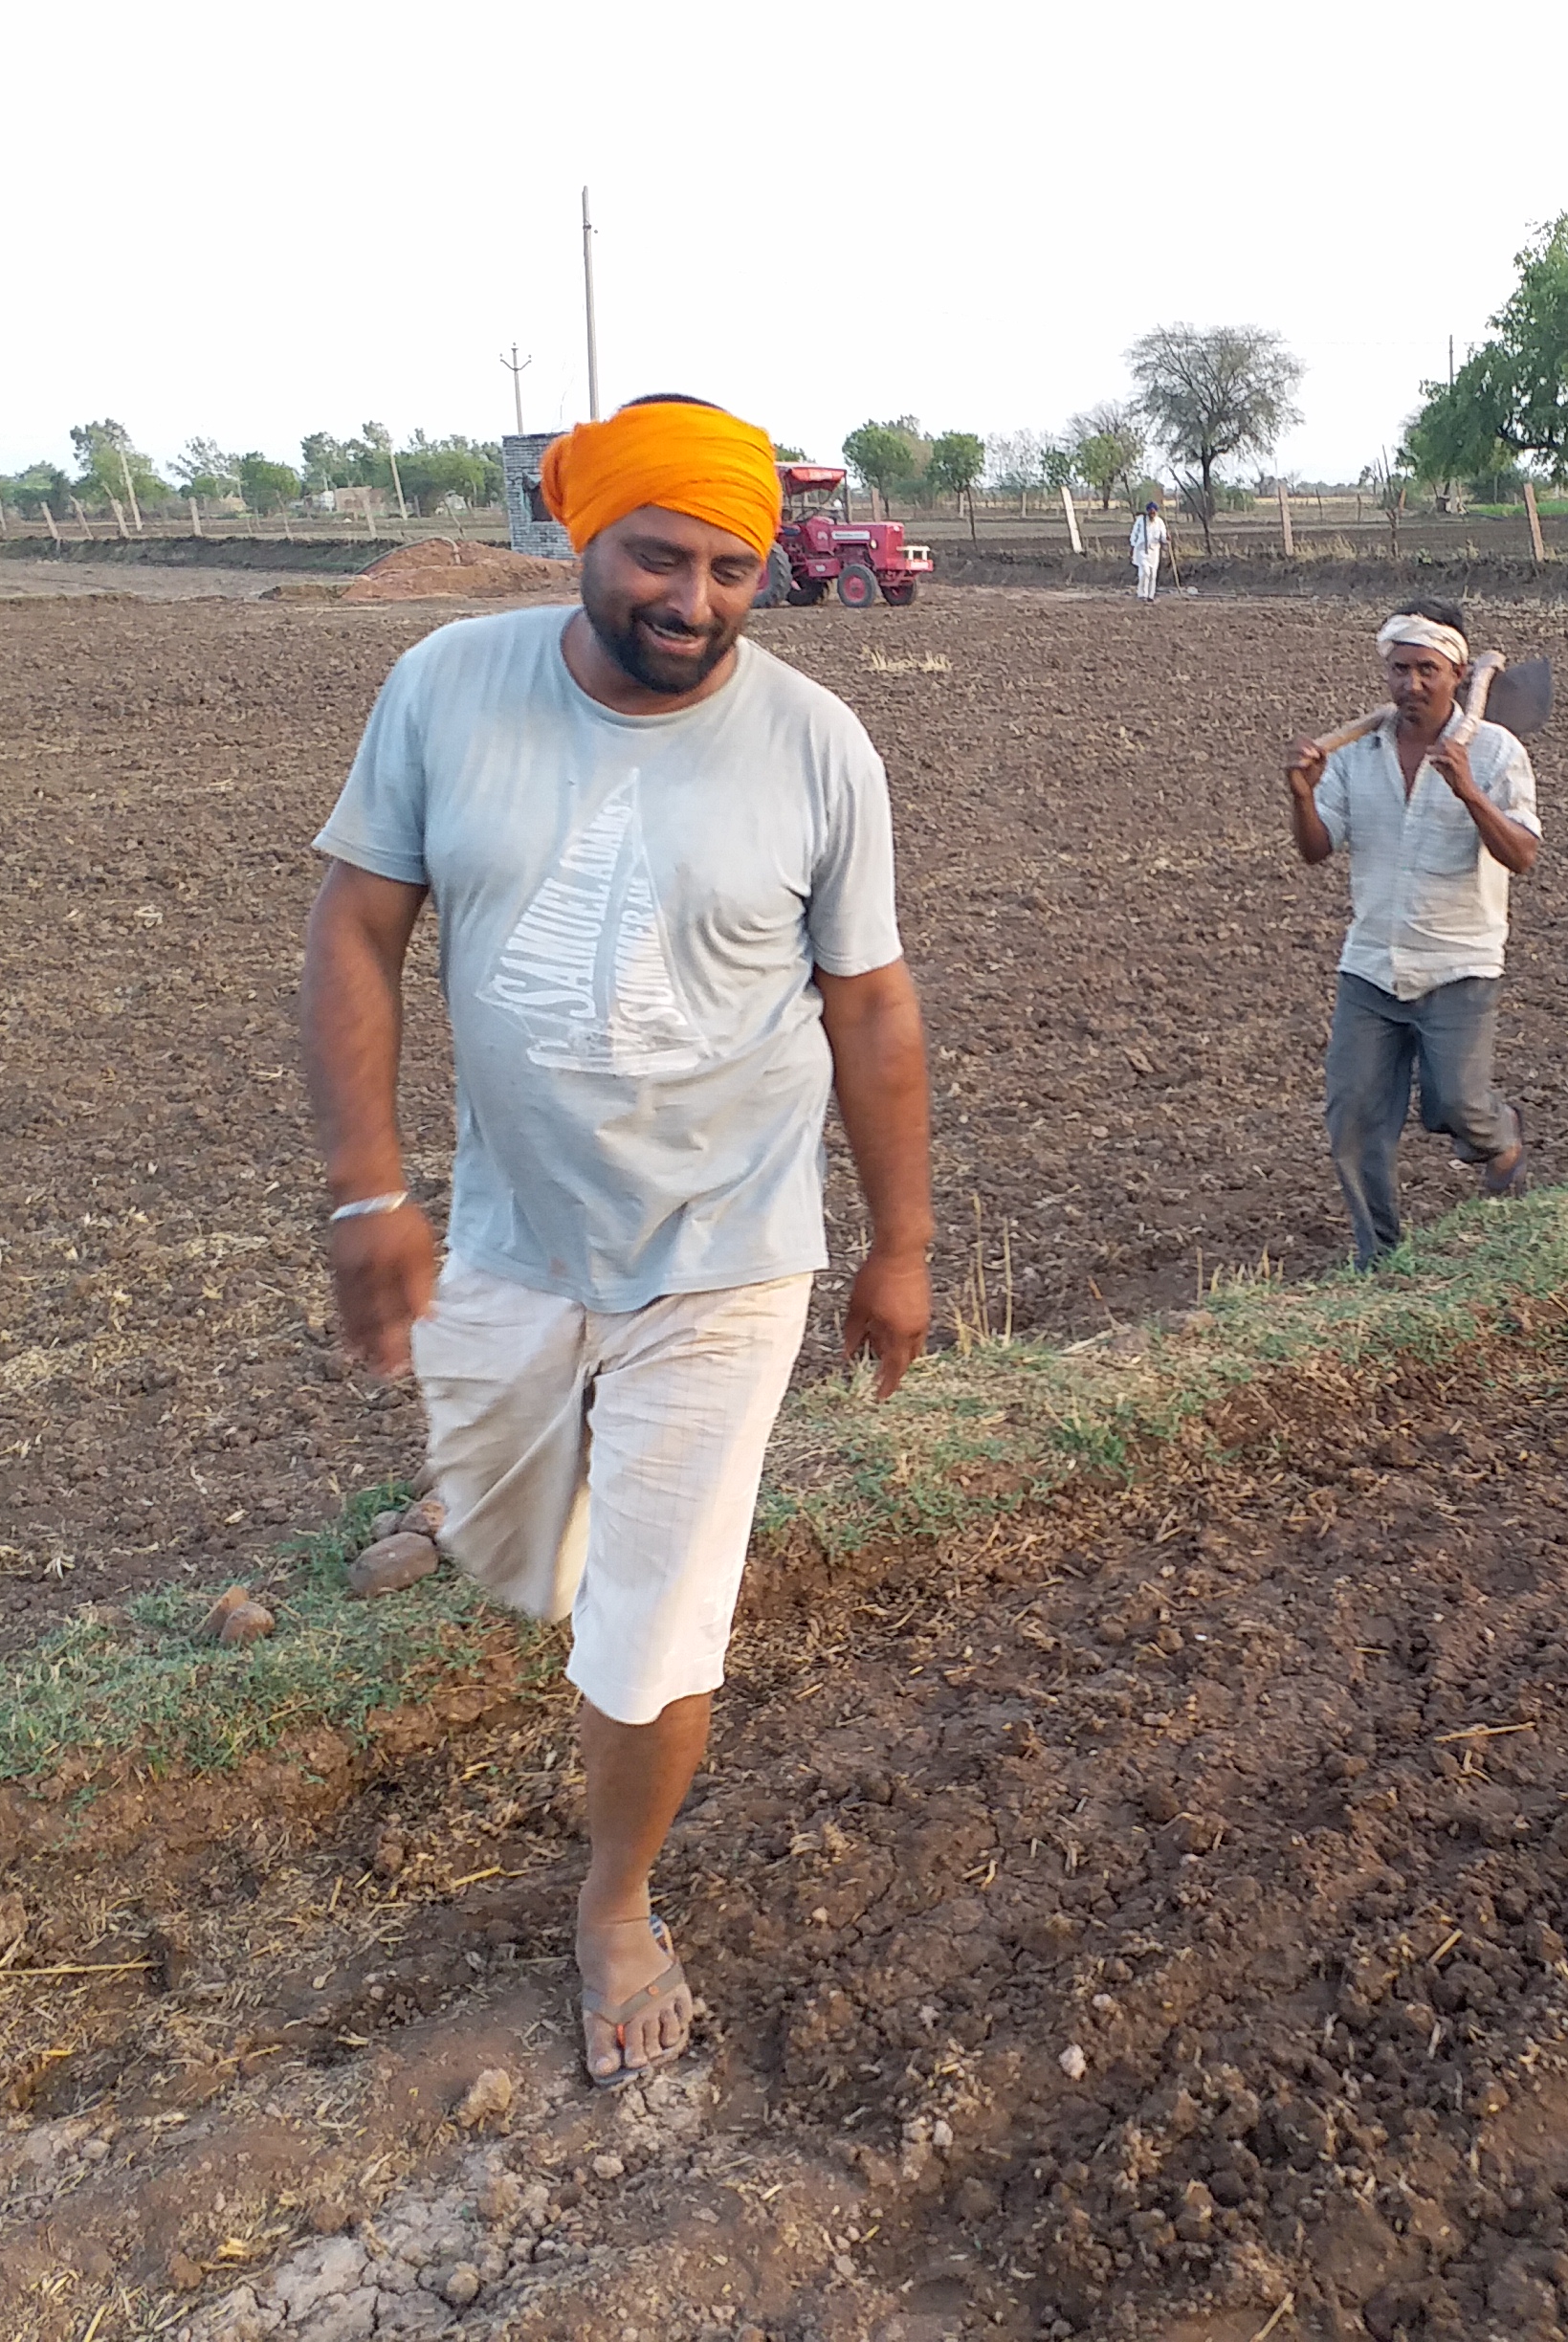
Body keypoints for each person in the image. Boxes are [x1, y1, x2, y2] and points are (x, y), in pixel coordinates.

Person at [298, 394, 933, 2088]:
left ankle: (617, 1896)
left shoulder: (814, 749)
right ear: (576, 530)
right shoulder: (447, 685)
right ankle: (488, 1490)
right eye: (659, 554)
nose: (697, 598)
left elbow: (868, 1006)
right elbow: (358, 922)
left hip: (728, 1245)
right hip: (511, 1217)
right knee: (518, 1497)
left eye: (734, 566)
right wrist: (371, 1186)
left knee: (648, 1614)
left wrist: (898, 1245)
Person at [1283, 598, 1539, 1264]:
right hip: (1370, 963)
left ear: (1457, 673)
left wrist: (1470, 793)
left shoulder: (1494, 753)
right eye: (1399, 669)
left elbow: (1522, 855)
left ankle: (1499, 1136)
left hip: (1459, 962)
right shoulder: (1358, 755)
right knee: (1352, 1120)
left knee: (1456, 1101)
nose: (1410, 684)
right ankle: (1381, 1258)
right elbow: (1317, 849)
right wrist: (1304, 796)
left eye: (1426, 669)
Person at [1130, 499, 1169, 602]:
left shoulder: (1160, 522)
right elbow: (1134, 535)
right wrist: (1132, 547)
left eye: (1154, 512)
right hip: (1141, 550)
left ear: (1156, 512)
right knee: (1145, 572)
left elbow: (1163, 537)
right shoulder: (1141, 521)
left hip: (1154, 552)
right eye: (1150, 512)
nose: (1152, 514)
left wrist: (1167, 539)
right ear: (1148, 512)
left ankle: (1150, 595)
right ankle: (1142, 594)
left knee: (1153, 574)